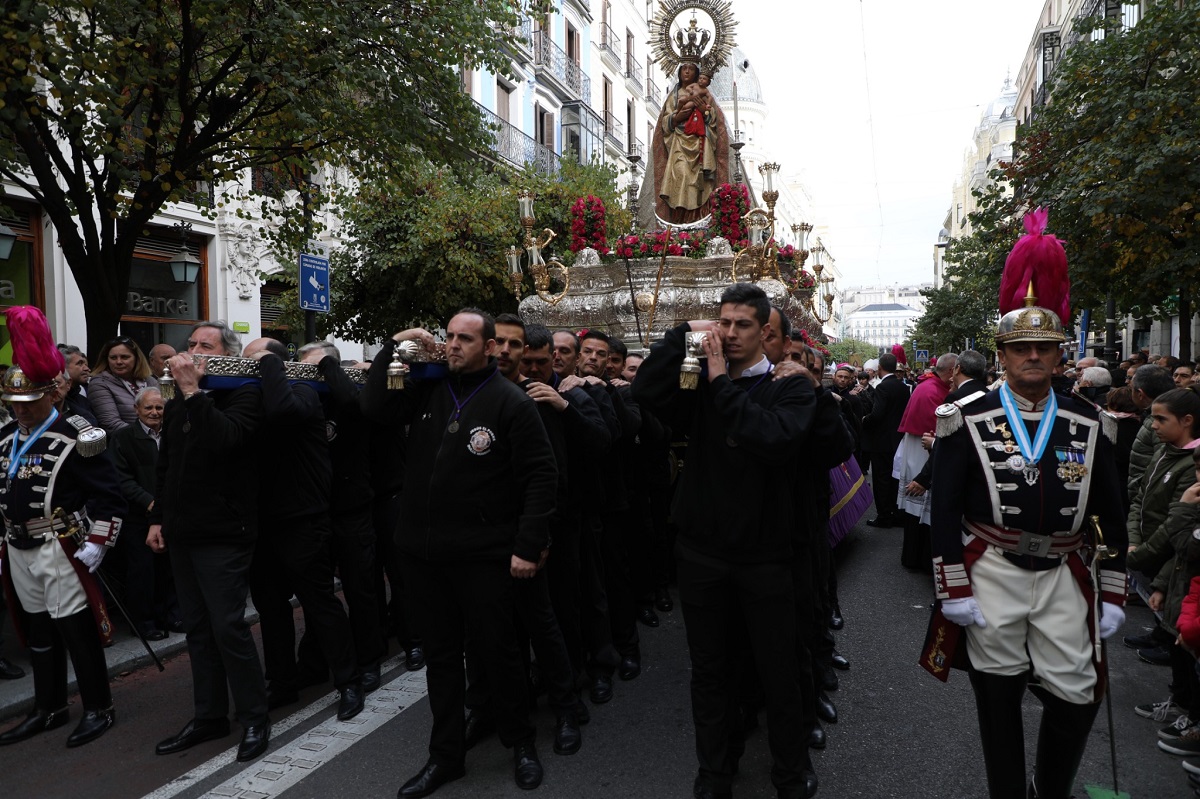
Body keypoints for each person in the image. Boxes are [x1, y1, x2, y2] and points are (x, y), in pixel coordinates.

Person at [927, 211, 1128, 799]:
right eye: (1022, 348)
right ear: (1002, 354)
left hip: (1066, 571)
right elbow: (943, 510)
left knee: (1076, 690)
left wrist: (1112, 584)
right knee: (997, 694)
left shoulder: (1093, 422)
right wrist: (952, 585)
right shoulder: (964, 418)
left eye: (1045, 347)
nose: (1033, 357)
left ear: (1061, 355)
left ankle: (1053, 789)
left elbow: (1107, 514)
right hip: (990, 568)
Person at [634, 283, 819, 799]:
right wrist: (680, 333)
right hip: (703, 553)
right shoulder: (697, 381)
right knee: (711, 670)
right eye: (723, 322)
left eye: (742, 325)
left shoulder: (789, 387)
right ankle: (716, 769)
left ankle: (789, 769)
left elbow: (772, 439)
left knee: (776, 671)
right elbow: (645, 392)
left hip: (766, 556)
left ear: (766, 332)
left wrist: (719, 381)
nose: (729, 334)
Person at [362, 309, 556, 797]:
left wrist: (527, 546)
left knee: (498, 652)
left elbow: (540, 477)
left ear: (490, 347)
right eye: (448, 337)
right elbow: (372, 409)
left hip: (484, 556)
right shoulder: (428, 388)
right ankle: (445, 756)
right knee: (442, 658)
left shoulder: (511, 402)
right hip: (424, 556)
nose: (452, 345)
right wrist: (394, 343)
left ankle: (520, 742)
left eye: (464, 339)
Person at [0, 306, 124, 748]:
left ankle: (98, 707)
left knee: (75, 629)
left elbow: (109, 495)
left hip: (59, 543)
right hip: (17, 546)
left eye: (29, 403)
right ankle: (48, 707)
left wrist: (98, 541)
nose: (22, 412)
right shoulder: (5, 438)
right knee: (37, 632)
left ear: (51, 395)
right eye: (14, 405)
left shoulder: (80, 433)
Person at [149, 320, 272, 763]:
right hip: (184, 533)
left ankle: (256, 717)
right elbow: (168, 462)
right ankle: (209, 717)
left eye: (206, 345)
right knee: (198, 631)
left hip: (224, 533)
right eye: (191, 344)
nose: (193, 351)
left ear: (225, 355)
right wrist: (159, 517)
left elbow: (226, 441)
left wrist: (193, 393)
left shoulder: (243, 391)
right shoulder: (182, 398)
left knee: (228, 627)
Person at [244, 337, 363, 721]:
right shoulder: (248, 395)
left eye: (256, 361)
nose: (247, 366)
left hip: (303, 518)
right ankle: (282, 683)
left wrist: (268, 364)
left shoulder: (301, 391)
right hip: (263, 522)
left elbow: (281, 411)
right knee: (271, 609)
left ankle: (349, 681)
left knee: (319, 604)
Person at [1125, 387, 1200, 751]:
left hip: (1172, 564)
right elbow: (1141, 499)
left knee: (1185, 643)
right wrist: (1132, 540)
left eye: (1160, 419)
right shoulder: (1164, 451)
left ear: (1187, 421)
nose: (1152, 426)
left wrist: (1140, 560)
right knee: (1173, 636)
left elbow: (1179, 532)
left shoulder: (1190, 465)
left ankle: (1190, 710)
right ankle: (1180, 700)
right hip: (1153, 557)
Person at [110, 387, 175, 641]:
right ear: (136, 410)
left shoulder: (172, 435)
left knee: (169, 569)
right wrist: (149, 502)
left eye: (159, 407)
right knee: (142, 571)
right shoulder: (123, 438)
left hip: (169, 515)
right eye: (148, 407)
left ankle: (170, 615)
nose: (154, 412)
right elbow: (121, 479)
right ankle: (144, 622)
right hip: (138, 517)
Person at [894, 354, 956, 571]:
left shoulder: (928, 385)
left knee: (915, 509)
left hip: (917, 449)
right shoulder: (934, 391)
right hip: (924, 450)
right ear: (951, 371)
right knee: (921, 507)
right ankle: (919, 558)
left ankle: (913, 556)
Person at [651, 60, 731, 225]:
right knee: (680, 175)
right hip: (679, 143)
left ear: (697, 73)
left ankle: (696, 221)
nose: (686, 72)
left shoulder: (703, 92)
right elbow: (664, 123)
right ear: (679, 72)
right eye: (684, 68)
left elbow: (714, 120)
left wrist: (705, 111)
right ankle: (679, 223)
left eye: (691, 69)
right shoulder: (673, 95)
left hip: (700, 144)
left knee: (698, 183)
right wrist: (677, 117)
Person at [862, 352, 909, 528]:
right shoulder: (904, 387)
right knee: (895, 477)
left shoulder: (883, 387)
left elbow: (878, 414)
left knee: (881, 479)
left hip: (881, 441)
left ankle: (883, 516)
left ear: (879, 368)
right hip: (897, 439)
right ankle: (897, 512)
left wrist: (865, 420)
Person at [87, 336, 159, 432]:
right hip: (126, 443)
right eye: (113, 358)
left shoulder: (150, 381)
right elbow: (110, 423)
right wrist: (146, 436)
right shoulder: (99, 383)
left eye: (124, 357)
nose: (119, 362)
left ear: (137, 359)